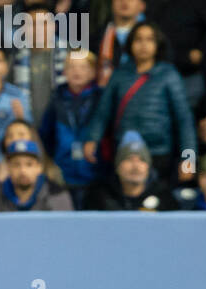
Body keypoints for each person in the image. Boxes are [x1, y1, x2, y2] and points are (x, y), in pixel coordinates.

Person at [83, 21, 195, 184]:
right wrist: (92, 139)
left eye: (150, 40)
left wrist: (189, 160)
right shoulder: (120, 75)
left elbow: (184, 120)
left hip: (158, 153)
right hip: (124, 152)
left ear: (158, 44)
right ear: (130, 44)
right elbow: (103, 112)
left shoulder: (168, 75)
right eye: (138, 39)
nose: (144, 45)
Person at [38, 49, 101, 209]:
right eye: (71, 67)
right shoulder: (57, 98)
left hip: (95, 176)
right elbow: (46, 134)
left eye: (83, 67)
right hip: (63, 176)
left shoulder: (101, 98)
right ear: (64, 71)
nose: (77, 72)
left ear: (93, 71)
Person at [84, 131, 176, 209]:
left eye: (141, 160)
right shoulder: (100, 198)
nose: (135, 166)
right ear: (118, 166)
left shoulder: (165, 198)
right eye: (129, 159)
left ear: (148, 167)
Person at [0, 137, 73, 211]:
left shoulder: (56, 195)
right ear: (8, 168)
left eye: (29, 164)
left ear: (39, 167)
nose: (23, 170)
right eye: (16, 164)